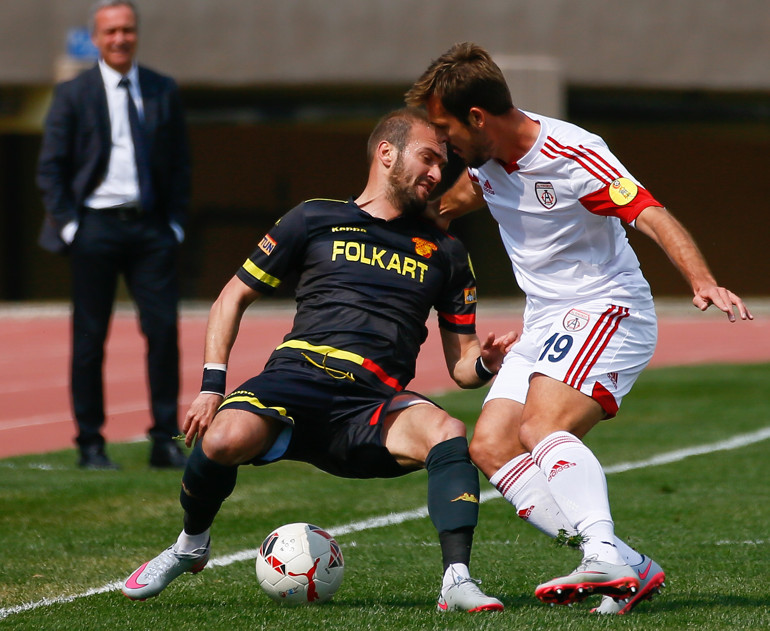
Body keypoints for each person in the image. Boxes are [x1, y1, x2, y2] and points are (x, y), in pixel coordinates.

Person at [121, 108, 517, 612]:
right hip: (294, 379)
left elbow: (462, 367)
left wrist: (483, 362)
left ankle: (456, 581)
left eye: (444, 164)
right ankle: (190, 546)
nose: (438, 174)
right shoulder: (313, 218)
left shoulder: (446, 252)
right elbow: (230, 299)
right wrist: (210, 386)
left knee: (449, 432)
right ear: (387, 153)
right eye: (428, 158)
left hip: (370, 403)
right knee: (221, 438)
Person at [405, 42, 753, 615]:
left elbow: (652, 213)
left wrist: (703, 280)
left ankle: (601, 554)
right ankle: (627, 563)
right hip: (543, 318)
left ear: (477, 117)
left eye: (445, 129)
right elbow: (458, 200)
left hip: (607, 307)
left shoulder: (573, 154)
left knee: (541, 427)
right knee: (490, 445)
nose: (442, 144)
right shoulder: (482, 164)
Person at [37, 0, 190, 469]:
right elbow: (51, 167)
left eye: (126, 29)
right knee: (89, 337)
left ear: (135, 33)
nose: (120, 38)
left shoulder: (162, 89)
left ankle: (164, 439)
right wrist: (71, 224)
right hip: (95, 226)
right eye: (110, 32)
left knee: (163, 331)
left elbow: (180, 162)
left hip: (150, 227)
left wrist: (175, 223)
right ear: (97, 38)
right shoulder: (73, 93)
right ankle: (90, 444)